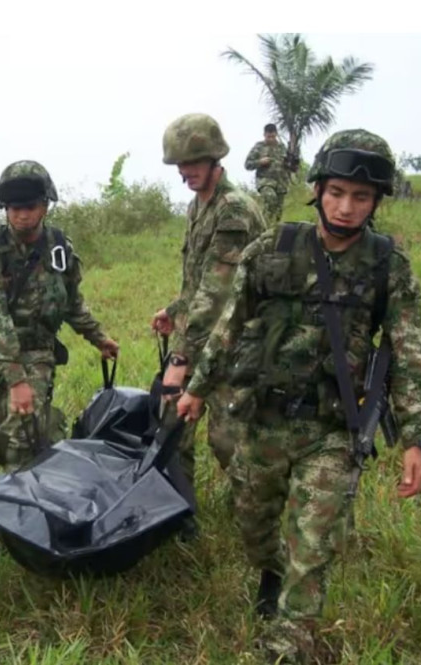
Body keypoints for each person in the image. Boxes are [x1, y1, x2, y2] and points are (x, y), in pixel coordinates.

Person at [176, 129, 421, 663]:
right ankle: (271, 571)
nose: (346, 207)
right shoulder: (271, 250)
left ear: (377, 201)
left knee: (312, 543)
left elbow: (407, 356)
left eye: (361, 197)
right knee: (254, 524)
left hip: (334, 428)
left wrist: (415, 439)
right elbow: (228, 325)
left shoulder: (389, 266)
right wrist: (196, 389)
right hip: (262, 419)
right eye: (336, 192)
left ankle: (288, 644)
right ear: (317, 189)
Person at [0, 160, 119, 471]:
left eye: (30, 207)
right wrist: (13, 376)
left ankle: (28, 492)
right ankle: (43, 456)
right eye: (14, 208)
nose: (22, 215)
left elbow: (71, 300)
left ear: (45, 205)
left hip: (36, 352)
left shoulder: (59, 248)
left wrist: (98, 337)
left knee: (23, 435)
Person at [150, 113, 266, 512]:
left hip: (235, 342)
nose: (185, 171)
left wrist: (180, 359)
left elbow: (219, 294)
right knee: (172, 427)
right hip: (198, 334)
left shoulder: (233, 210)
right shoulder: (197, 206)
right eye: (179, 164)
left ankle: (259, 516)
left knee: (228, 439)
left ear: (215, 158)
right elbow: (199, 281)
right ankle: (179, 514)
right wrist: (175, 309)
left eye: (193, 162)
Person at [244, 122, 293, 225]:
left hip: (281, 183)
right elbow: (247, 164)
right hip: (265, 182)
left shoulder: (282, 147)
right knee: (270, 198)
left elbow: (288, 165)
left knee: (278, 212)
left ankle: (273, 229)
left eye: (273, 136)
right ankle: (263, 227)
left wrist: (290, 164)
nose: (270, 139)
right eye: (268, 137)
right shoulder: (259, 146)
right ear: (264, 135)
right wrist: (260, 162)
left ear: (276, 134)